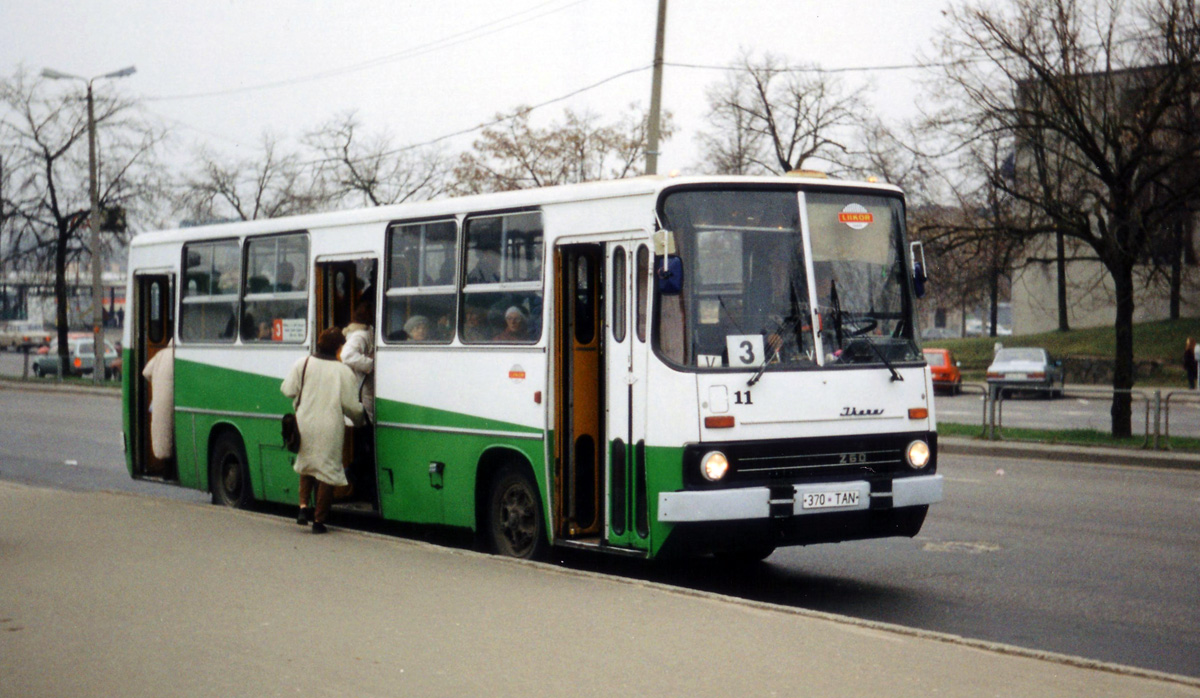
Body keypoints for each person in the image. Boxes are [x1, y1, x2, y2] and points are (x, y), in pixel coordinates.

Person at [281, 327, 364, 534]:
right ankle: (319, 521)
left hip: (305, 422)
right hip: (330, 426)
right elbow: (351, 406)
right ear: (337, 347)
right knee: (326, 471)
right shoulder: (343, 371)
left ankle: (302, 508)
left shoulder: (303, 363)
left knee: (307, 465)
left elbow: (288, 389)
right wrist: (361, 419)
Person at [141, 339, 175, 460]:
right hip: (174, 399)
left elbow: (146, 372)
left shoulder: (160, 355)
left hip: (158, 400)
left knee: (161, 433)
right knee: (173, 433)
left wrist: (156, 381)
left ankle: (164, 464)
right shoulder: (179, 357)